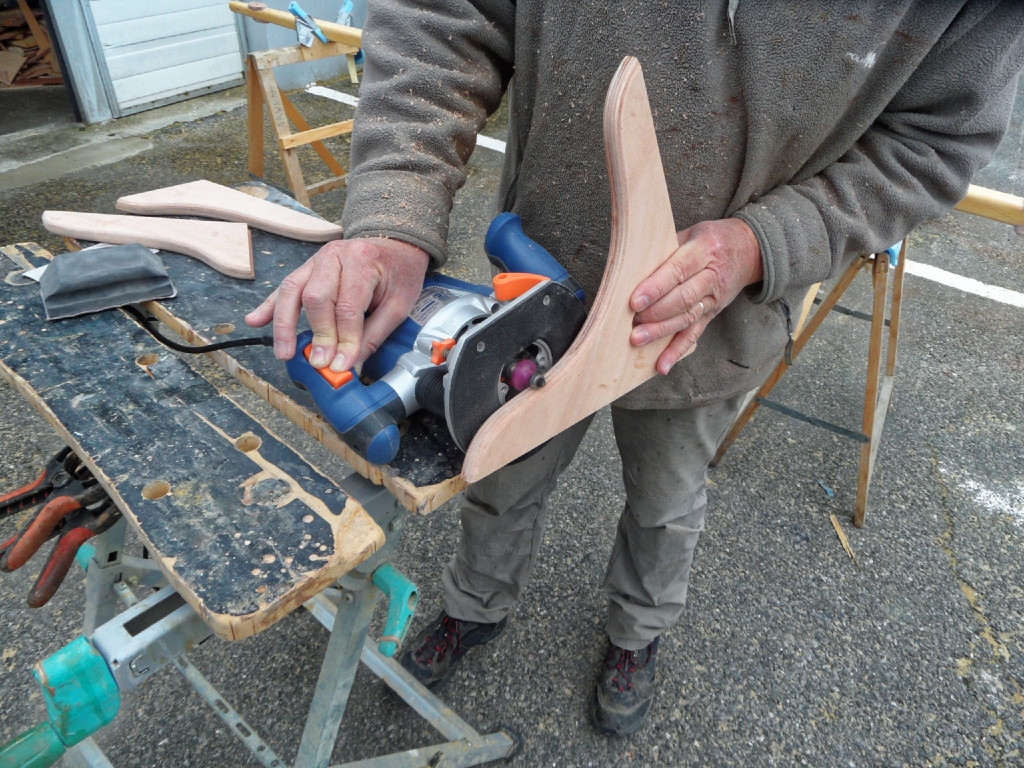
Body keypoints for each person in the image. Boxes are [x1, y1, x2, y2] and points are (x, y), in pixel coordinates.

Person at [248, 2, 1024, 736]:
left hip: (712, 323)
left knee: (666, 505)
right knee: (501, 476)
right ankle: (475, 605)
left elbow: (931, 146)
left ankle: (637, 633)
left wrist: (767, 243)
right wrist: (395, 210)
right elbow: (445, 18)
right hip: (538, 307)